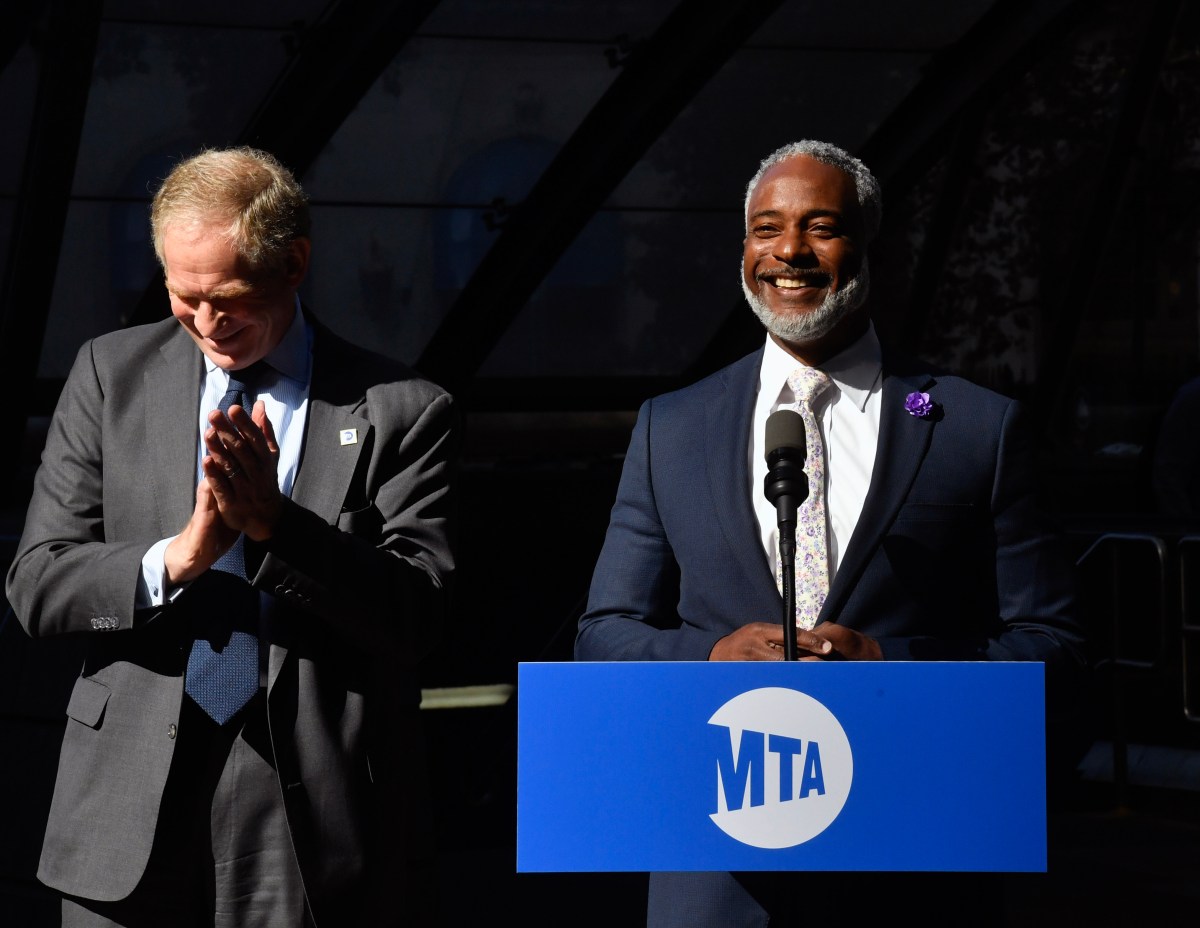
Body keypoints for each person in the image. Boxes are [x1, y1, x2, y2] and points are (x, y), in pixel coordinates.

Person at [575, 140, 1088, 927]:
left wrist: (895, 667)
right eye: (765, 227)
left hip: (915, 871)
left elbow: (1054, 643)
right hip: (720, 880)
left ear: (868, 245)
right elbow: (604, 636)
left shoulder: (975, 428)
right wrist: (710, 654)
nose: (788, 250)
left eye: (821, 226)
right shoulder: (669, 428)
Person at [6, 147, 456, 927]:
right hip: (125, 804)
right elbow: (38, 583)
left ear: (294, 263)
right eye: (186, 298)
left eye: (233, 296)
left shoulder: (399, 409)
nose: (209, 323)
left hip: (310, 818)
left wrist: (277, 529)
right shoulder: (112, 374)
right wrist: (178, 559)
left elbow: (417, 616)